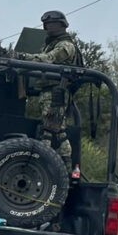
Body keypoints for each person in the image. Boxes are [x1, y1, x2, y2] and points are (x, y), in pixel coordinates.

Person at [32, 10, 83, 170]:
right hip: (50, 91)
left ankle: (43, 165)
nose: (47, 26)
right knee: (58, 131)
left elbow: (48, 59)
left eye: (51, 23)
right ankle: (65, 167)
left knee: (49, 131)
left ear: (61, 25)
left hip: (56, 92)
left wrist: (21, 57)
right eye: (46, 24)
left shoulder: (66, 45)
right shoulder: (51, 43)